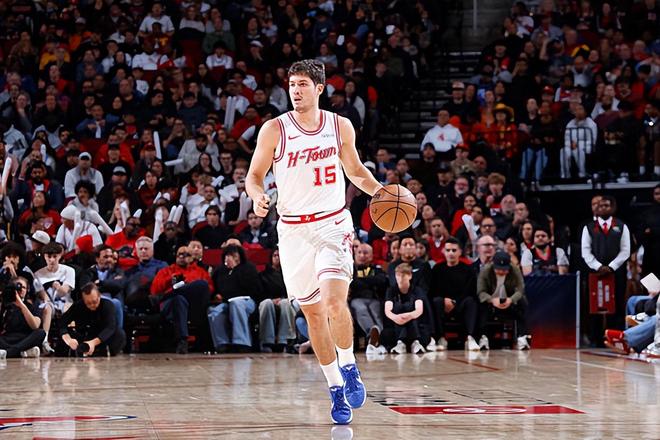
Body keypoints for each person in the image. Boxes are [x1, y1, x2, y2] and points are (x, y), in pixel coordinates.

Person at [246, 60, 382, 424]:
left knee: (335, 302)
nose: (295, 90)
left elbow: (355, 171)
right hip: (293, 232)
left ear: (320, 88)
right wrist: (257, 196)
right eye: (292, 84)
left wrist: (381, 192)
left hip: (332, 224)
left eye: (303, 84)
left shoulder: (339, 126)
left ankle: (349, 365)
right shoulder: (274, 129)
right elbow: (254, 175)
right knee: (314, 315)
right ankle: (335, 387)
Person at [429, 238, 480, 351]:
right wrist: (445, 300)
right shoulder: (437, 269)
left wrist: (455, 301)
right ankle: (440, 338)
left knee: (471, 301)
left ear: (460, 252)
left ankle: (470, 337)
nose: (451, 253)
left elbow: (470, 290)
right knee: (436, 301)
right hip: (443, 304)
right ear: (443, 251)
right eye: (448, 250)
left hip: (460, 304)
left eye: (454, 250)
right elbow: (433, 291)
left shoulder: (468, 269)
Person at [477, 251, 530, 350]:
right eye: (498, 269)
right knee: (480, 305)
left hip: (508, 300)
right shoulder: (485, 271)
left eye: (504, 269)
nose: (501, 272)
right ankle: (483, 337)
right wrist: (492, 300)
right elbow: (481, 292)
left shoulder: (515, 270)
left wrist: (511, 299)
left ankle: (522, 337)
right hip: (490, 302)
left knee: (522, 302)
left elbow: (520, 290)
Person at [58, 283, 125, 357]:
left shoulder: (108, 305)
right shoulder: (78, 305)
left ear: (99, 296)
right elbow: (62, 321)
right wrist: (67, 338)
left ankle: (104, 351)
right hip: (84, 336)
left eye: (94, 302)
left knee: (119, 334)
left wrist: (93, 343)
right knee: (62, 336)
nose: (92, 305)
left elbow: (110, 327)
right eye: (88, 303)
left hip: (101, 337)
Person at [385, 263, 426, 354]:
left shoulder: (416, 290)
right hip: (396, 321)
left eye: (403, 275)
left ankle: (414, 342)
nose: (400, 278)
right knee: (398, 308)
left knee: (408, 308)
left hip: (414, 321)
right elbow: (388, 310)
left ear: (410, 276)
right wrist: (396, 317)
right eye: (398, 275)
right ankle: (401, 342)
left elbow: (419, 310)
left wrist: (408, 316)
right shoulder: (391, 290)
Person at [0, 277, 45, 358]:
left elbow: (35, 326)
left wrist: (21, 305)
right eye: (17, 287)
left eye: (23, 287)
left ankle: (8, 353)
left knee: (41, 333)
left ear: (27, 290)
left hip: (26, 338)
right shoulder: (6, 304)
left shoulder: (33, 304)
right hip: (9, 338)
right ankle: (22, 352)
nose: (20, 289)